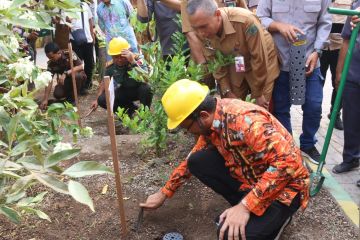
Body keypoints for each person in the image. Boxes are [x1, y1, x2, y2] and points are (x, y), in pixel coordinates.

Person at [140, 79, 310, 240]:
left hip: (285, 189)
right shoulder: (214, 120)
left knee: (228, 235)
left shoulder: (247, 122)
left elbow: (288, 164)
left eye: (187, 127)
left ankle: (278, 220)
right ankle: (248, 210)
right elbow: (192, 157)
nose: (188, 132)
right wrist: (164, 193)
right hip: (254, 179)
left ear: (203, 115)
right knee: (197, 162)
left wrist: (245, 206)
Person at [257, 0, 332, 164]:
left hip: (309, 61)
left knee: (314, 105)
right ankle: (288, 147)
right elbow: (260, 17)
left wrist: (317, 52)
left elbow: (325, 22)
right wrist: (278, 26)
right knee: (281, 109)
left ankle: (307, 144)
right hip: (280, 61)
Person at [186, 0, 280, 110]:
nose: (200, 33)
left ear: (217, 15)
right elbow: (216, 64)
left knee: (260, 109)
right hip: (236, 61)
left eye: (203, 27)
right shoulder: (203, 30)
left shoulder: (246, 21)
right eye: (195, 28)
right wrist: (227, 91)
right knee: (232, 106)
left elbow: (259, 58)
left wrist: (258, 94)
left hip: (262, 62)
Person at [90, 37, 152, 115]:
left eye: (122, 56)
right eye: (116, 57)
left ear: (128, 52)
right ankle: (130, 111)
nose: (119, 59)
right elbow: (104, 82)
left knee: (146, 88)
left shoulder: (138, 59)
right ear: (112, 56)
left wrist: (133, 62)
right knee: (102, 99)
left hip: (139, 89)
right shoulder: (111, 66)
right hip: (125, 90)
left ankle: (145, 115)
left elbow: (146, 79)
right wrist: (97, 99)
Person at [332, 5, 360, 174]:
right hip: (354, 73)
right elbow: (347, 40)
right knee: (350, 120)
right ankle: (351, 158)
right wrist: (339, 71)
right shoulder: (356, 5)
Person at [320, 0, 352, 131]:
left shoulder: (352, 2)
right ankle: (314, 114)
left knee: (339, 82)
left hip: (340, 47)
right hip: (321, 46)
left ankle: (335, 114)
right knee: (317, 82)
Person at [40, 42, 86, 110]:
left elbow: (81, 66)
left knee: (76, 76)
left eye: (52, 57)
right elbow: (49, 80)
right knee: (57, 94)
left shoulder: (69, 53)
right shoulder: (51, 64)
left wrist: (66, 73)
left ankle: (74, 99)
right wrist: (45, 99)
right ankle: (69, 97)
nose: (51, 59)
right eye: (49, 58)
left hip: (79, 77)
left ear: (58, 52)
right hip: (66, 80)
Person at [69, 0, 95, 93]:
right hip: (75, 40)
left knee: (90, 63)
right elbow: (63, 23)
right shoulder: (66, 6)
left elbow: (90, 21)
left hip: (88, 39)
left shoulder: (85, 5)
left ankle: (87, 83)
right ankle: (79, 86)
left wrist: (92, 36)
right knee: (78, 63)